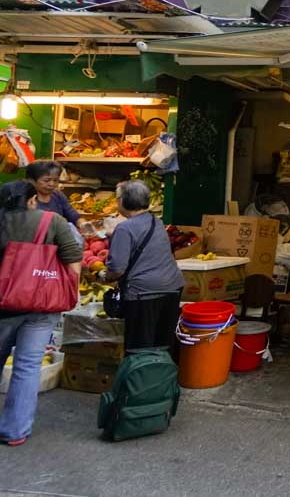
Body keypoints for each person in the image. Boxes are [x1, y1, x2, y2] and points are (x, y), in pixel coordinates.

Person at [0, 180, 83, 446]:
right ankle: (15, 431)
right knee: (27, 367)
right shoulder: (53, 221)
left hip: (3, 306)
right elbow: (73, 258)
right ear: (32, 199)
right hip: (42, 303)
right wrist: (68, 291)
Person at [99, 181, 184, 351]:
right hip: (172, 287)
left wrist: (102, 276)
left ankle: (141, 376)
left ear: (123, 202)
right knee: (162, 342)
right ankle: (161, 374)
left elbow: (117, 270)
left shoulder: (124, 229)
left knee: (139, 347)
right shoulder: (156, 221)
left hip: (143, 293)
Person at [25, 161, 80, 226]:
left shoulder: (58, 195)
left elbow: (73, 215)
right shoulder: (25, 199)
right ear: (33, 181)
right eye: (46, 180)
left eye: (55, 180)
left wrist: (82, 223)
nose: (52, 184)